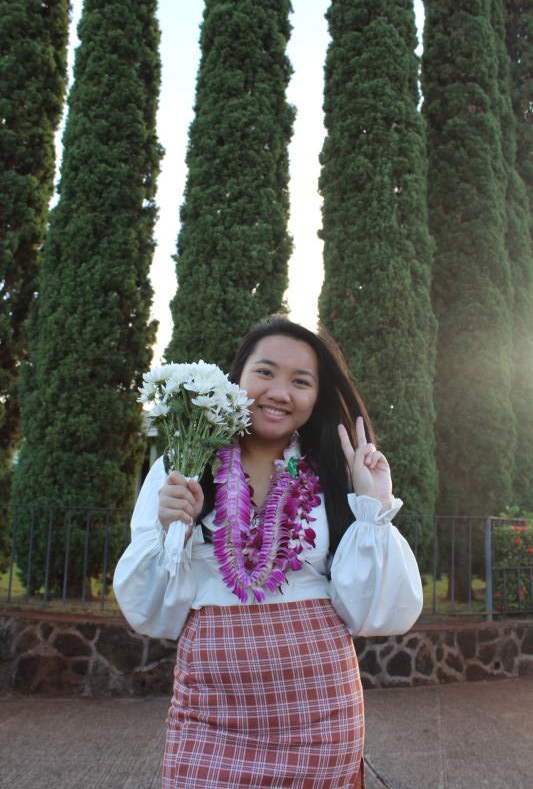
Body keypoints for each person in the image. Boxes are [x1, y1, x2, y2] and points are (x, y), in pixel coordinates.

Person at [113, 316, 423, 789]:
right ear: (237, 377)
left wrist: (374, 507)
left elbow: (373, 611)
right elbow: (152, 610)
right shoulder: (184, 464)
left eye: (301, 381)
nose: (280, 391)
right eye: (265, 372)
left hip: (320, 712)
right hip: (210, 712)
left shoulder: (337, 475)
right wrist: (169, 527)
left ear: (316, 397)